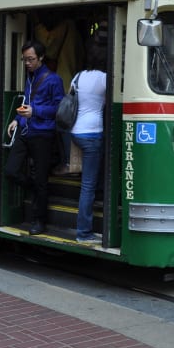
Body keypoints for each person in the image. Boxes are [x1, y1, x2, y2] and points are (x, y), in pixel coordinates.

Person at [5, 40, 65, 236]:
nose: (27, 63)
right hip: (25, 130)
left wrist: (35, 111)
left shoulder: (54, 79)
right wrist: (16, 119)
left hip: (42, 134)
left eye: (31, 59)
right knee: (11, 170)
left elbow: (59, 108)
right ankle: (34, 187)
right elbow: (26, 103)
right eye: (25, 60)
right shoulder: (30, 77)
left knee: (41, 180)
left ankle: (39, 221)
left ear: (41, 58)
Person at [70, 42, 107, 244]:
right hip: (93, 133)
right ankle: (83, 232)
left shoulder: (78, 76)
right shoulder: (104, 79)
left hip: (76, 132)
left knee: (90, 179)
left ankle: (101, 191)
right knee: (88, 186)